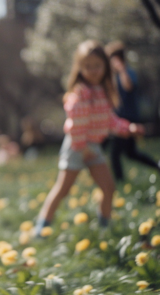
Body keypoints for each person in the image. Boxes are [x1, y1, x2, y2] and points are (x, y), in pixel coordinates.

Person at [35, 40, 144, 236]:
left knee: (108, 188)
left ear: (105, 66)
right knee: (63, 189)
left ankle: (104, 228)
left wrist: (128, 127)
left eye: (97, 66)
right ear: (80, 68)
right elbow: (76, 123)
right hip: (76, 147)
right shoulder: (80, 93)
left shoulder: (104, 92)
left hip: (92, 146)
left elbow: (109, 120)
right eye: (87, 66)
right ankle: (42, 226)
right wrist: (82, 146)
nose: (93, 70)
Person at [105, 41, 160, 182]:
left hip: (129, 118)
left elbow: (128, 86)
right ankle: (157, 166)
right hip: (120, 118)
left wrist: (122, 69)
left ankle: (120, 182)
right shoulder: (113, 76)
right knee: (131, 153)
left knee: (115, 153)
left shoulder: (128, 72)